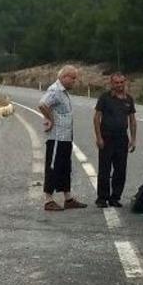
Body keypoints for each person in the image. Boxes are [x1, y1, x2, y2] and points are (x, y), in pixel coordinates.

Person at [37, 65, 88, 211]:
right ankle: (48, 200)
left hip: (65, 137)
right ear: (64, 77)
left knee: (65, 167)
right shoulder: (55, 90)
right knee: (53, 166)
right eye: (72, 78)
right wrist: (50, 119)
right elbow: (42, 104)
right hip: (57, 137)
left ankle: (68, 198)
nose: (74, 81)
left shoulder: (63, 92)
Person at [93, 72, 137, 208]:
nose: (119, 85)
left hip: (122, 138)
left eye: (121, 82)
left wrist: (133, 139)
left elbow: (132, 120)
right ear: (111, 84)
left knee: (120, 169)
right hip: (107, 137)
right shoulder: (105, 98)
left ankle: (115, 197)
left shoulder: (128, 99)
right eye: (116, 83)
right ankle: (102, 198)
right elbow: (96, 118)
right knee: (104, 169)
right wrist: (99, 137)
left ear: (125, 83)